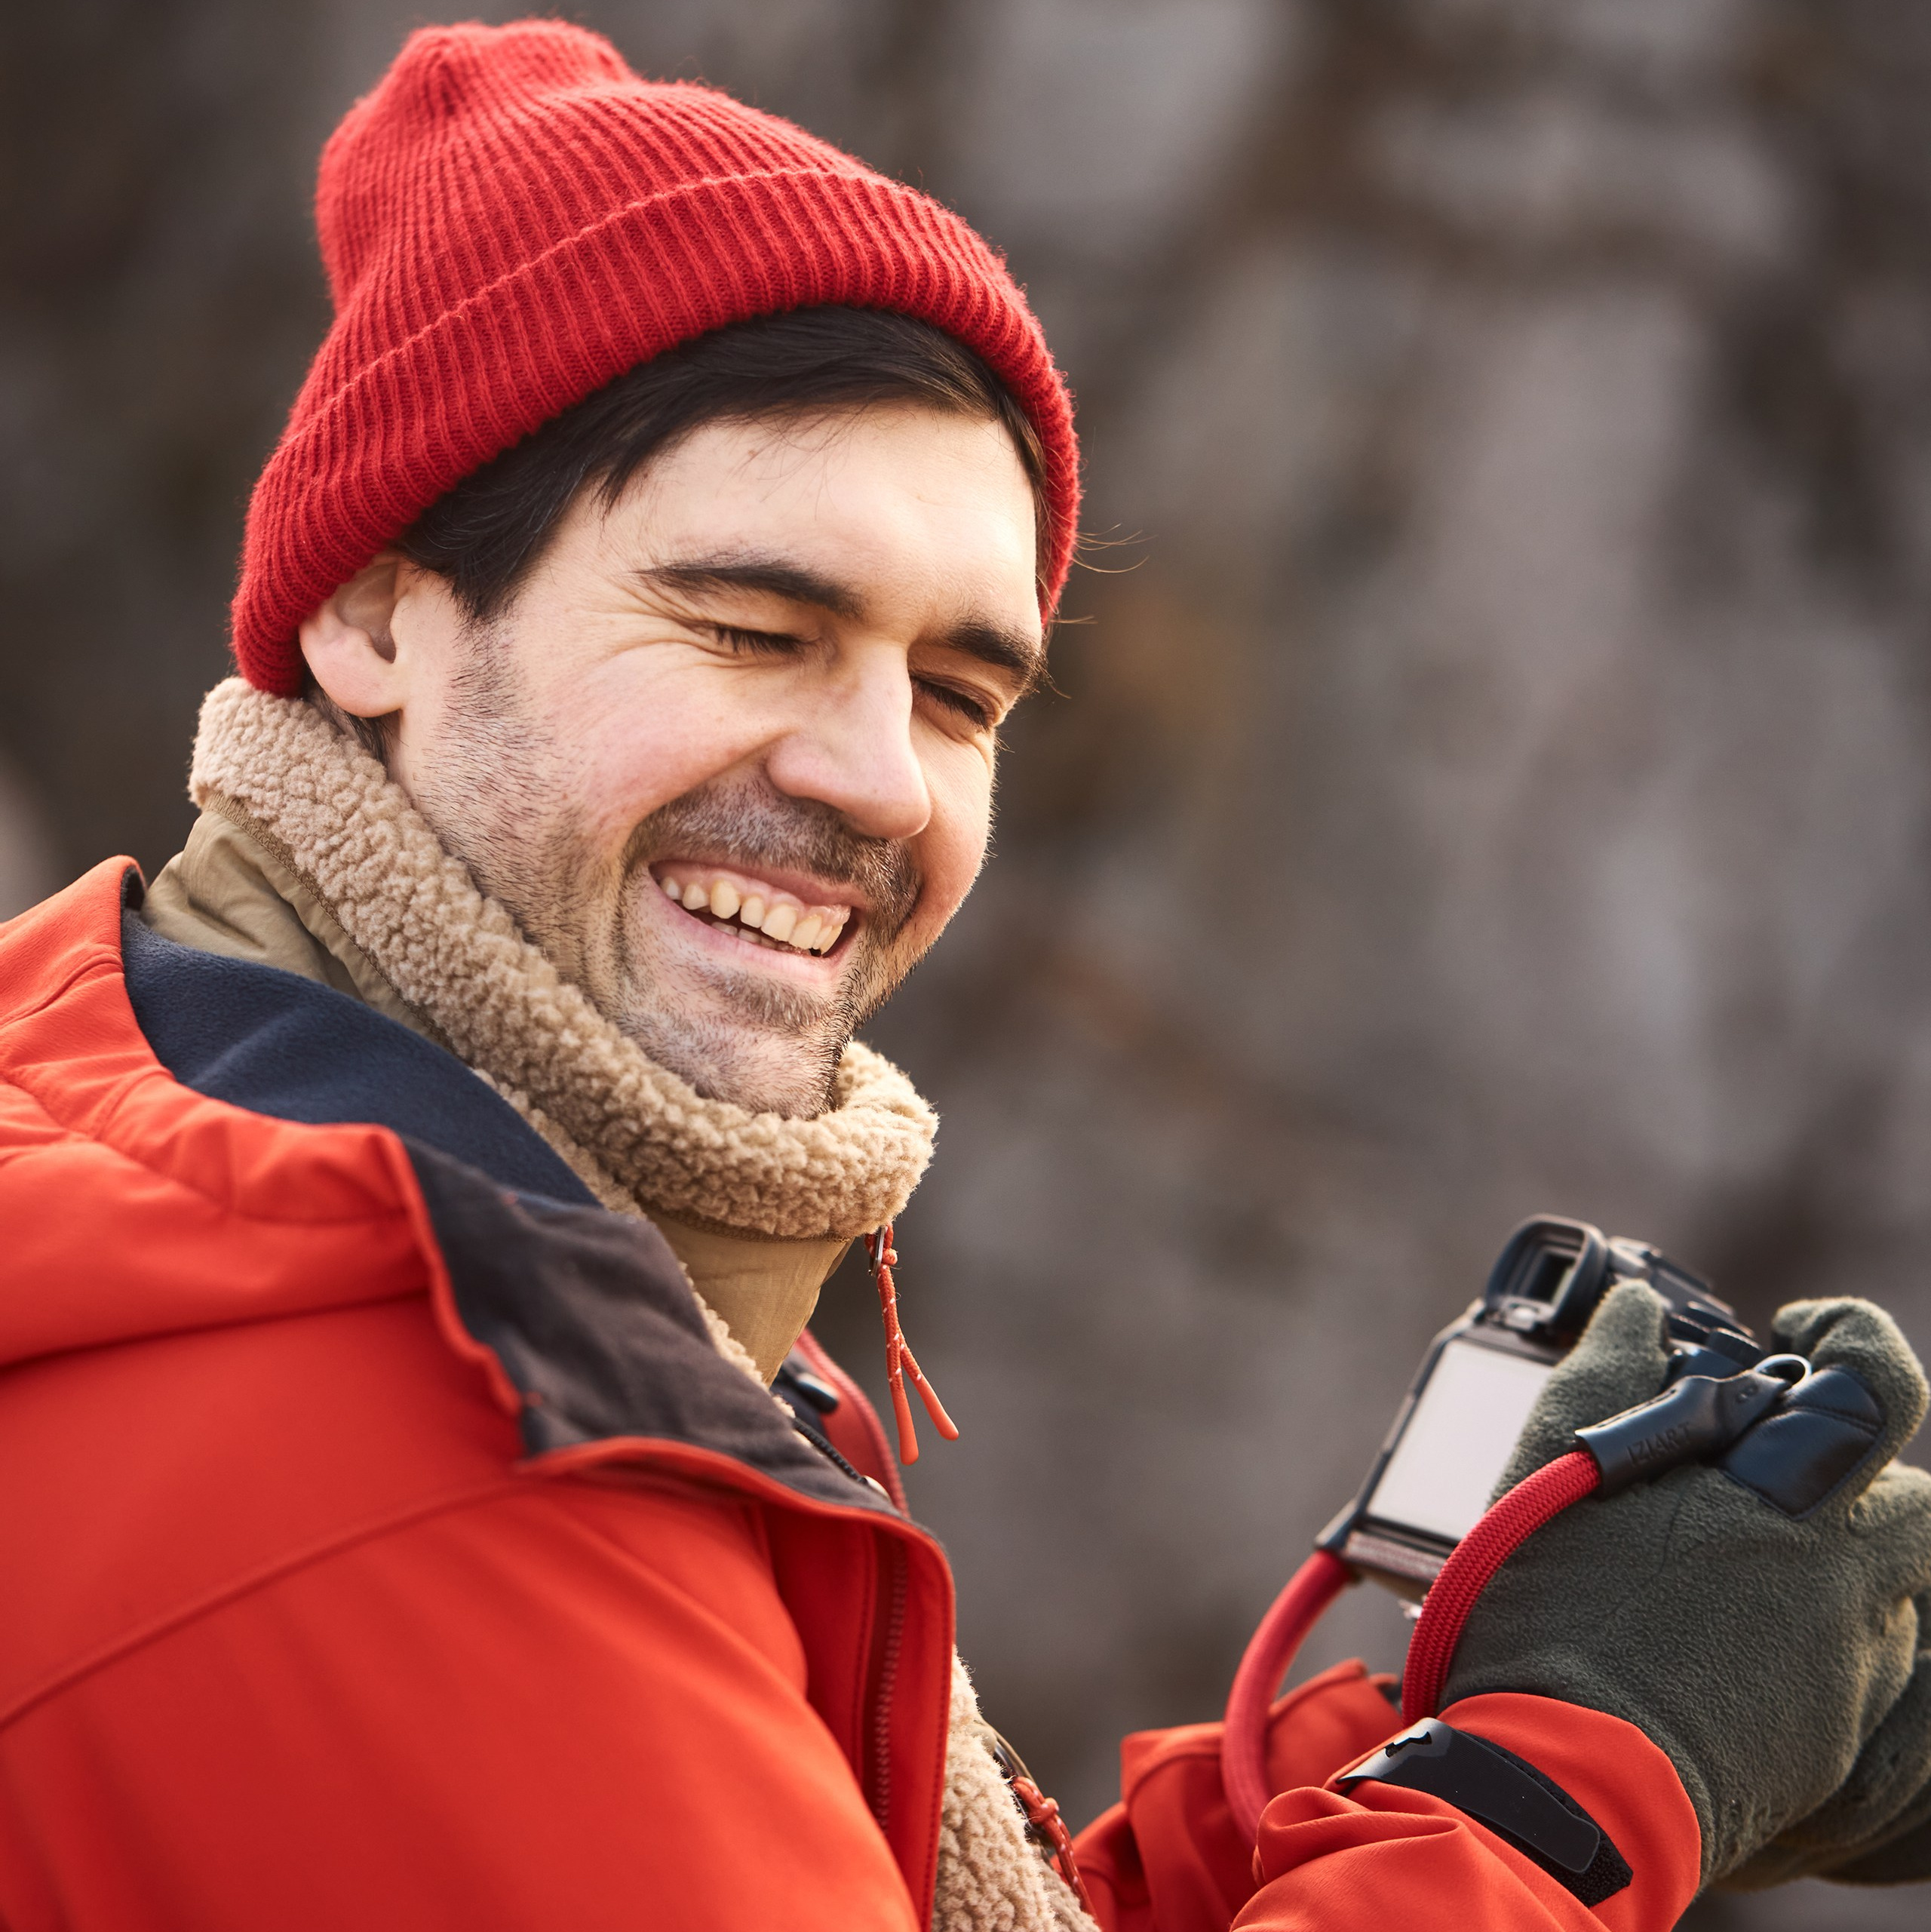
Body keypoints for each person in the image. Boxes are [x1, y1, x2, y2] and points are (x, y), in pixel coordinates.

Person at [2, 20, 1929, 1930]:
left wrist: (1519, 1689)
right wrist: (1570, 1784)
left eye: (955, 691)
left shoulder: (266, 1123)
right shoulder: (408, 1443)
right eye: (754, 626)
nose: (873, 780)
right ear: (372, 613)